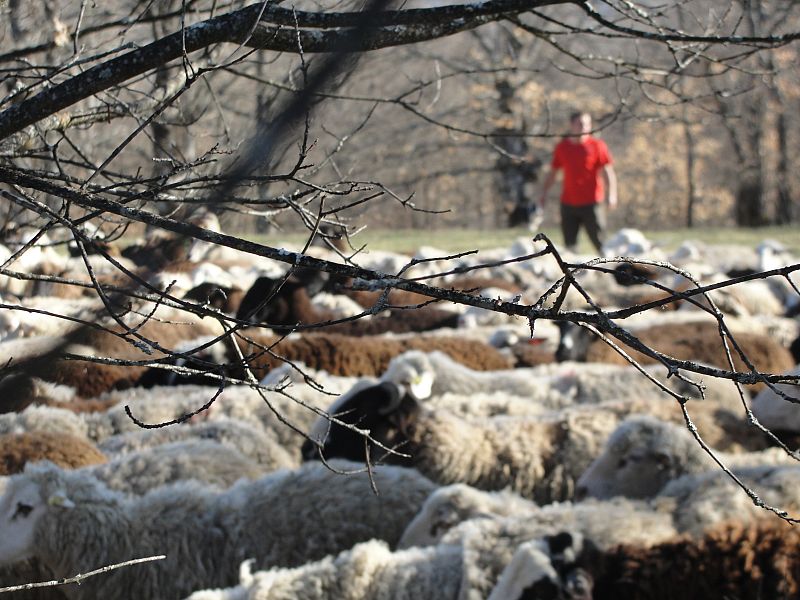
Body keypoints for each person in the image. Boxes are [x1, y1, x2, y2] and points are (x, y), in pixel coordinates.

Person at [538, 111, 617, 254]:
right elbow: (553, 173)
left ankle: (611, 270)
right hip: (568, 203)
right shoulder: (562, 147)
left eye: (587, 124)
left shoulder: (597, 145)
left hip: (592, 202)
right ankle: (573, 274)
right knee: (570, 246)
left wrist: (612, 194)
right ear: (572, 125)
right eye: (580, 124)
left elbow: (608, 171)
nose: (584, 127)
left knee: (601, 243)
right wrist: (544, 193)